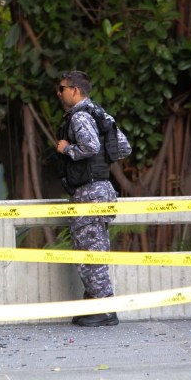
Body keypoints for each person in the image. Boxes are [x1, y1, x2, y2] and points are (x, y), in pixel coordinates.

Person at [55, 70, 131, 327]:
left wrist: (68, 149)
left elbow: (91, 147)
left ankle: (105, 309)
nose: (59, 92)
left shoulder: (79, 116)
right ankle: (93, 303)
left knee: (90, 254)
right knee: (93, 250)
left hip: (89, 193)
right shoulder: (101, 114)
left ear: (75, 90)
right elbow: (123, 147)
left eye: (62, 88)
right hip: (102, 190)